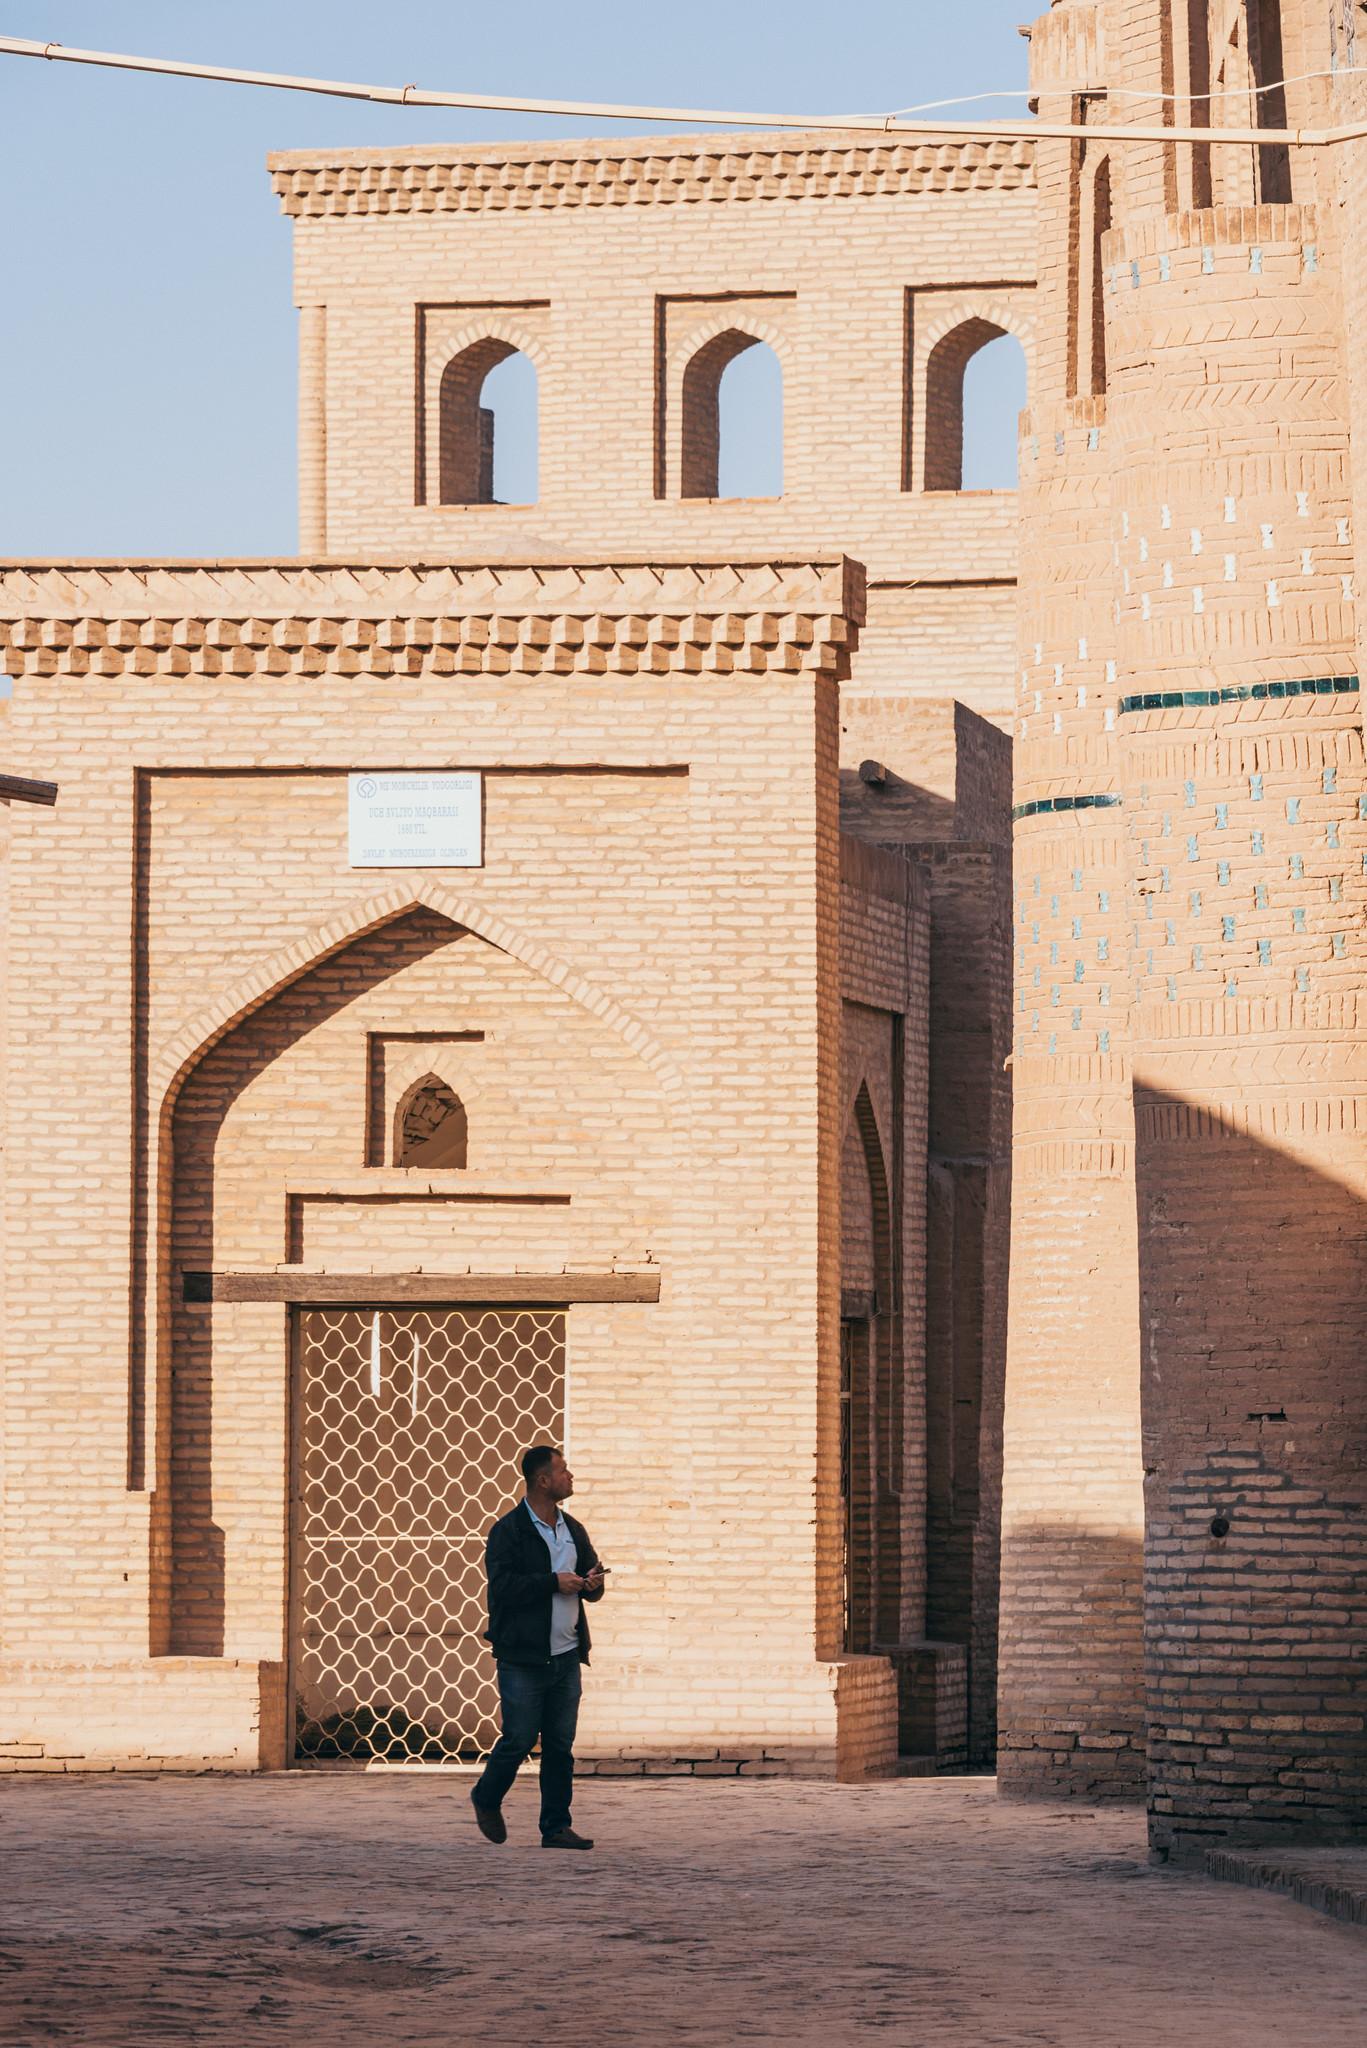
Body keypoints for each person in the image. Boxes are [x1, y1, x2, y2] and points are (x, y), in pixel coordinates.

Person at [470, 1444, 606, 1850]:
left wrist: (593, 1583)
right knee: (519, 1737)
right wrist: (553, 1581)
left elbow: (588, 1577)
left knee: (561, 1746)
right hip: (523, 1657)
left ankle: (556, 1827)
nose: (571, 1477)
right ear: (543, 1480)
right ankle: (486, 1797)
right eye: (564, 1471)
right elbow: (503, 1589)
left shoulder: (573, 1529)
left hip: (566, 1655)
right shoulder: (508, 1531)